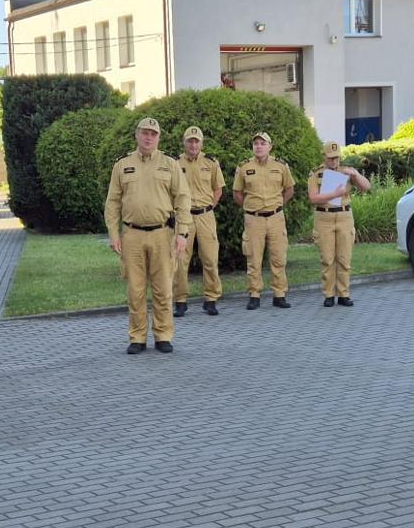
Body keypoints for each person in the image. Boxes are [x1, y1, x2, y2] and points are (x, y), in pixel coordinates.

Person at [104, 117, 191, 353]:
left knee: (163, 289)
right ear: (137, 135)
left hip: (163, 235)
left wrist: (182, 233)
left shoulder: (170, 164)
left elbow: (183, 199)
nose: (148, 137)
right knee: (136, 290)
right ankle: (137, 337)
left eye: (153, 134)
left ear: (158, 138)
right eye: (145, 133)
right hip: (131, 235)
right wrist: (113, 233)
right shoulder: (122, 164)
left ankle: (163, 335)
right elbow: (112, 202)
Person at [233, 131, 294, 310]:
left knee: (279, 257)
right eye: (256, 144)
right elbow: (237, 193)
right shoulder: (244, 167)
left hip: (276, 218)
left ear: (270, 146)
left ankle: (279, 295)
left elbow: (289, 189)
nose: (259, 146)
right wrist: (250, 207)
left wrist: (278, 205)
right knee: (253, 258)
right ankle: (254, 294)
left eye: (262, 143)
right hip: (254, 219)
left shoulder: (281, 166)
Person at [306, 142, 371, 306]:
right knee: (327, 259)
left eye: (337, 158)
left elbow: (366, 187)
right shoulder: (316, 173)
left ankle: (343, 294)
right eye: (330, 158)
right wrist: (334, 194)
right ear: (324, 157)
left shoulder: (346, 171)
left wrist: (356, 174)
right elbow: (313, 198)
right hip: (324, 217)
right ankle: (328, 295)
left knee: (344, 258)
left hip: (344, 216)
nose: (334, 161)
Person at [175, 126, 226, 317]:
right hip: (184, 217)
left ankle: (211, 299)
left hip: (205, 215)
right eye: (190, 141)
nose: (193, 144)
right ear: (184, 142)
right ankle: (180, 301)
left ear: (201, 143)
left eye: (196, 141)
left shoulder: (211, 163)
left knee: (210, 258)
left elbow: (218, 189)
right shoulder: (175, 163)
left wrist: (209, 207)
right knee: (180, 259)